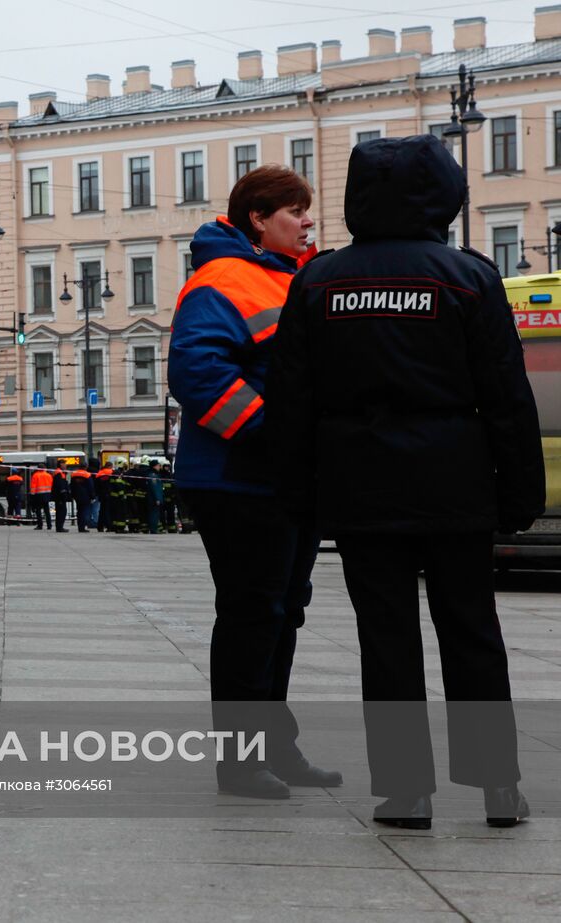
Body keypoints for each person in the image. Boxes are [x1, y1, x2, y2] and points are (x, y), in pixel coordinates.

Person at [270, 135, 544, 829]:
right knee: (472, 631)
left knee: (386, 637)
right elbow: (508, 398)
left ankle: (404, 791)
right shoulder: (468, 277)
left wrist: (297, 494)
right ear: (444, 193)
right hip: (456, 477)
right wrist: (519, 493)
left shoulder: (318, 280)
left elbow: (291, 400)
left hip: (361, 480)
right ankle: (498, 788)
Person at [168, 165, 339, 800]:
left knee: (282, 614)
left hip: (283, 478)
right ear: (258, 220)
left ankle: (275, 748)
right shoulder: (221, 280)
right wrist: (274, 436)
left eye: (307, 210)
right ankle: (239, 764)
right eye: (295, 211)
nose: (307, 221)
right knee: (251, 615)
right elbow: (198, 374)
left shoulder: (291, 277)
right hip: (239, 479)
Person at [71, 464, 95, 532]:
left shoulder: (73, 474)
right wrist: (92, 496)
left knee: (79, 511)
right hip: (85, 495)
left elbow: (72, 485)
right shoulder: (87, 474)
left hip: (77, 495)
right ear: (86, 467)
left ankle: (80, 526)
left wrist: (72, 495)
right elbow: (90, 486)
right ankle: (83, 527)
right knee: (85, 511)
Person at [146, 460, 165, 534]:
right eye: (158, 465)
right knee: (154, 514)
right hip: (154, 499)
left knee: (154, 513)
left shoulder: (153, 475)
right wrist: (157, 499)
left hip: (152, 498)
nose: (159, 467)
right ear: (154, 466)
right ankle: (153, 529)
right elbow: (155, 488)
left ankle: (154, 528)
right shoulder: (153, 476)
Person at [52, 464, 71, 532]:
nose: (66, 467)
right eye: (64, 465)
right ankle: (60, 527)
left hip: (59, 496)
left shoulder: (60, 473)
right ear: (61, 466)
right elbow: (61, 487)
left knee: (60, 512)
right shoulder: (59, 474)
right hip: (60, 497)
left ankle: (59, 527)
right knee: (62, 512)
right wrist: (63, 496)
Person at [94, 463, 113, 532]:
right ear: (110, 466)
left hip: (101, 495)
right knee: (108, 511)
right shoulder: (111, 472)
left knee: (102, 511)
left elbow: (96, 485)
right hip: (108, 494)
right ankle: (109, 526)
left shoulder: (99, 473)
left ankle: (100, 527)